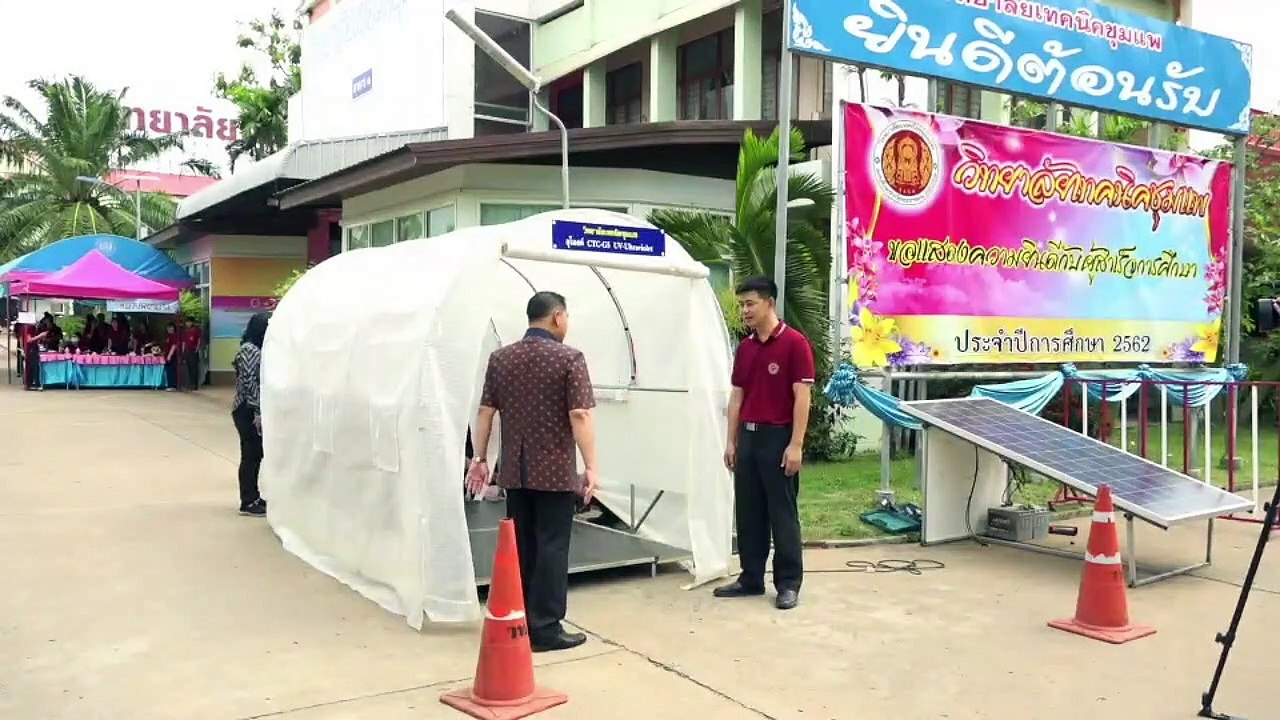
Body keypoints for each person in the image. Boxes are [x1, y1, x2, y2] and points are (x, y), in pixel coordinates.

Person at [468, 291, 599, 653]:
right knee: (553, 546)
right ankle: (546, 628)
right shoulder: (570, 358)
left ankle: (521, 618)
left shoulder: (501, 358)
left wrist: (480, 458)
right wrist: (591, 466)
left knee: (522, 545)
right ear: (557, 317)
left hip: (515, 472)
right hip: (555, 471)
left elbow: (485, 412)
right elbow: (580, 415)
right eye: (567, 318)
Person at [713, 275, 815, 611]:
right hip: (749, 437)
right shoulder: (745, 348)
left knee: (781, 513)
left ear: (769, 303)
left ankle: (787, 583)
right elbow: (737, 397)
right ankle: (750, 577)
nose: (744, 310)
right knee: (748, 511)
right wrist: (731, 441)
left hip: (778, 436)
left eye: (750, 303)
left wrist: (796, 444)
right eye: (741, 304)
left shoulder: (795, 344)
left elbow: (802, 397)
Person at [232, 312, 270, 517]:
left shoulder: (253, 349)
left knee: (255, 454)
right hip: (247, 408)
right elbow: (249, 383)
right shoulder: (250, 350)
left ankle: (253, 495)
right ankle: (248, 500)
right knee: (251, 455)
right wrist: (257, 410)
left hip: (248, 407)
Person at [182, 317, 202, 390]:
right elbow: (184, 342)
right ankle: (189, 384)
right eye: (187, 322)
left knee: (194, 368)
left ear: (192, 322)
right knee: (189, 368)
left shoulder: (196, 330)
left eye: (189, 322)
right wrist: (183, 351)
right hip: (187, 351)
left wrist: (197, 349)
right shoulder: (185, 331)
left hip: (193, 351)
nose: (188, 323)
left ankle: (194, 385)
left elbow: (199, 340)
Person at [163, 322, 181, 391]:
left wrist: (170, 355)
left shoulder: (174, 336)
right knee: (168, 371)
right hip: (167, 355)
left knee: (172, 371)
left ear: (173, 328)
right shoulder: (168, 336)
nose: (169, 329)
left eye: (170, 327)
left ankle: (173, 385)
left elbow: (174, 346)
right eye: (168, 327)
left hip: (172, 356)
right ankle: (169, 385)